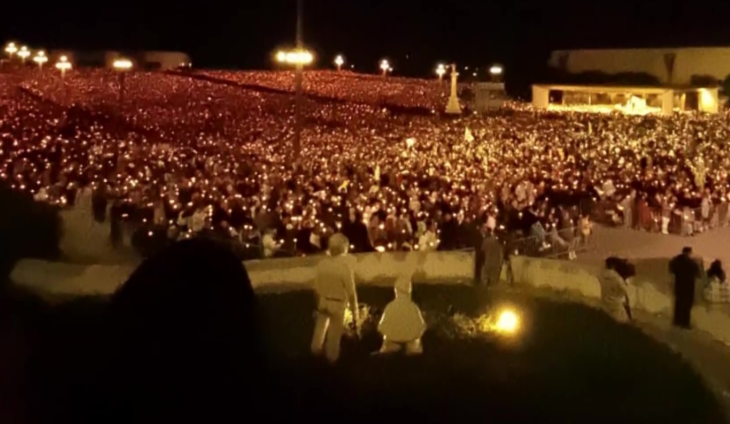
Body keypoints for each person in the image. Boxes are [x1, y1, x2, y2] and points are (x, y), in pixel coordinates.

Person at [311, 233, 359, 363]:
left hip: (323, 302)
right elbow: (351, 292)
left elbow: (316, 287)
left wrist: (319, 302)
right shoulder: (344, 268)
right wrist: (355, 314)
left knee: (319, 333)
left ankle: (315, 356)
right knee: (333, 338)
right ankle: (331, 361)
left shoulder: (322, 264)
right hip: (337, 304)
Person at [378, 275, 426, 355]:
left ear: (396, 291)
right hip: (411, 348)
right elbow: (421, 327)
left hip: (391, 347)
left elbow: (381, 328)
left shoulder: (390, 307)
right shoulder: (413, 307)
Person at [669, 247, 700, 329]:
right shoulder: (692, 263)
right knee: (687, 306)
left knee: (678, 304)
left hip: (679, 285)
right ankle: (685, 323)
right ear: (689, 252)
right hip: (688, 287)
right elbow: (698, 274)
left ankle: (677, 321)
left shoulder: (675, 260)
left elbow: (671, 270)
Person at [598, 257, 630, 322]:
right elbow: (625, 293)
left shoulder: (601, 275)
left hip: (605, 306)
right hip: (616, 309)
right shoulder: (618, 278)